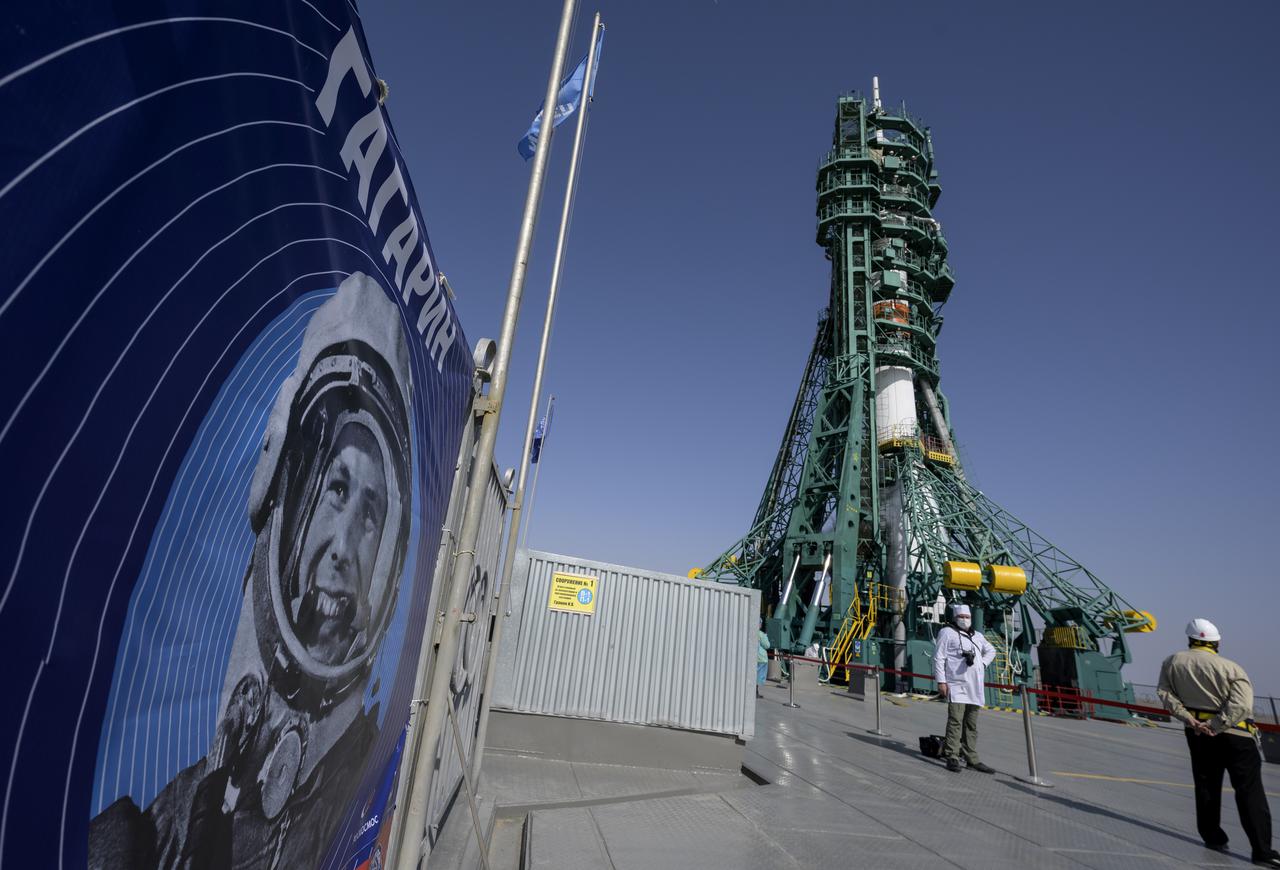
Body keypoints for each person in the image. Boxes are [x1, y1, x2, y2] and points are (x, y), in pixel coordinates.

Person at [90, 273, 415, 869]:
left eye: (371, 514)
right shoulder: (142, 839)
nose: (344, 546)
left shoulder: (364, 787)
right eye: (335, 488)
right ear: (279, 484)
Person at [1157, 618, 1280, 867]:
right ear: (1216, 642)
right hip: (1237, 737)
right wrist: (1216, 725)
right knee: (1249, 792)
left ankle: (1213, 838)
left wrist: (1192, 721)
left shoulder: (1172, 662)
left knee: (1206, 786)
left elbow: (1165, 694)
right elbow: (1242, 706)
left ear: (1190, 639)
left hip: (1198, 735)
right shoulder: (1232, 668)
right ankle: (1263, 851)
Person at [932, 603, 997, 773]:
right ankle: (952, 756)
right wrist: (941, 681)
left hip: (975, 687)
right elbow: (939, 658)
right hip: (956, 685)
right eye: (961, 617)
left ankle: (971, 758)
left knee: (971, 724)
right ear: (955, 618)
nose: (965, 620)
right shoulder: (947, 633)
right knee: (955, 722)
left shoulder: (978, 636)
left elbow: (991, 651)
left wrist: (982, 663)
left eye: (967, 617)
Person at [757, 621, 771, 698]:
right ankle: (756, 692)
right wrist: (766, 637)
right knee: (759, 676)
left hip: (754, 658)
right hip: (761, 658)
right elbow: (767, 645)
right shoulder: (761, 635)